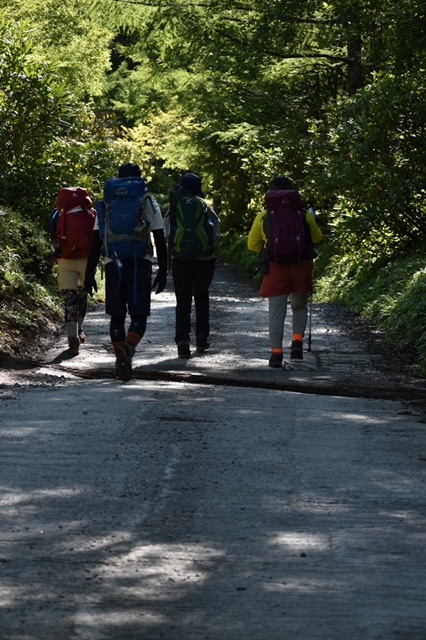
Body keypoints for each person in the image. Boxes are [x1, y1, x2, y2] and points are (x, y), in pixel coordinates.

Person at [84, 163, 167, 380]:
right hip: (141, 261)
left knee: (117, 315)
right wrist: (164, 269)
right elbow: (159, 236)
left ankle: (121, 359)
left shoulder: (109, 202)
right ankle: (128, 348)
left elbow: (95, 241)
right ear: (139, 179)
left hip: (114, 262)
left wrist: (89, 272)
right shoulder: (147, 200)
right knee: (139, 315)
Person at [247, 175, 323, 368]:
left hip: (276, 267)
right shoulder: (303, 214)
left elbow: (252, 244)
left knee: (276, 312)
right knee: (299, 306)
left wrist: (269, 249)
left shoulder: (264, 216)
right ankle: (297, 343)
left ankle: (276, 354)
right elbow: (317, 238)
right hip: (301, 266)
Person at [166, 172, 220, 358]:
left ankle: (183, 343)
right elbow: (216, 233)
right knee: (202, 298)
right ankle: (202, 339)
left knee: (183, 302)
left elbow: (167, 231)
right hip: (204, 261)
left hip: (180, 261)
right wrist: (208, 249)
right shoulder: (205, 206)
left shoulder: (174, 206)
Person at [50, 185, 96, 356]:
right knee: (82, 296)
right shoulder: (90, 214)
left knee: (70, 300)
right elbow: (96, 238)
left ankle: (72, 338)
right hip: (86, 260)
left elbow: (54, 240)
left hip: (65, 261)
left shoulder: (57, 214)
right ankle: (80, 329)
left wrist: (58, 255)